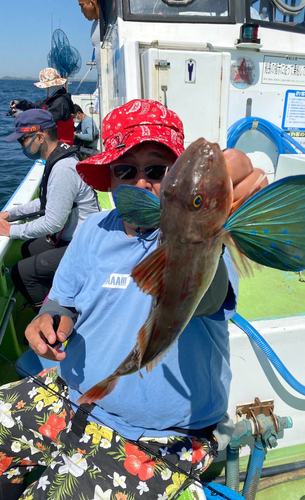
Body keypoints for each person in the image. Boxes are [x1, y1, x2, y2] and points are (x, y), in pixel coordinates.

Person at [0, 100, 267, 500]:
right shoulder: (94, 230)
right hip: (68, 395)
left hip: (157, 436)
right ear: (110, 177)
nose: (141, 183)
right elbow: (63, 297)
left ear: (178, 179)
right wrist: (52, 317)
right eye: (126, 170)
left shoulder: (203, 240)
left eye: (157, 171)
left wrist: (217, 215)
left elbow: (208, 297)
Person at [0, 109, 100, 310]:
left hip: (83, 245)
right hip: (71, 237)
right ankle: (56, 291)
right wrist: (10, 214)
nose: (22, 147)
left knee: (21, 272)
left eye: (22, 141)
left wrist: (11, 230)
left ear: (39, 137)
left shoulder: (63, 168)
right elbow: (45, 202)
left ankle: (53, 316)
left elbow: (53, 222)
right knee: (27, 248)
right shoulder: (57, 158)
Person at [10, 68, 75, 145]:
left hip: (62, 145)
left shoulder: (61, 102)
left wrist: (22, 116)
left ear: (49, 87)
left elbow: (45, 119)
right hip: (54, 144)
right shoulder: (53, 100)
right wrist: (20, 103)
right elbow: (35, 107)